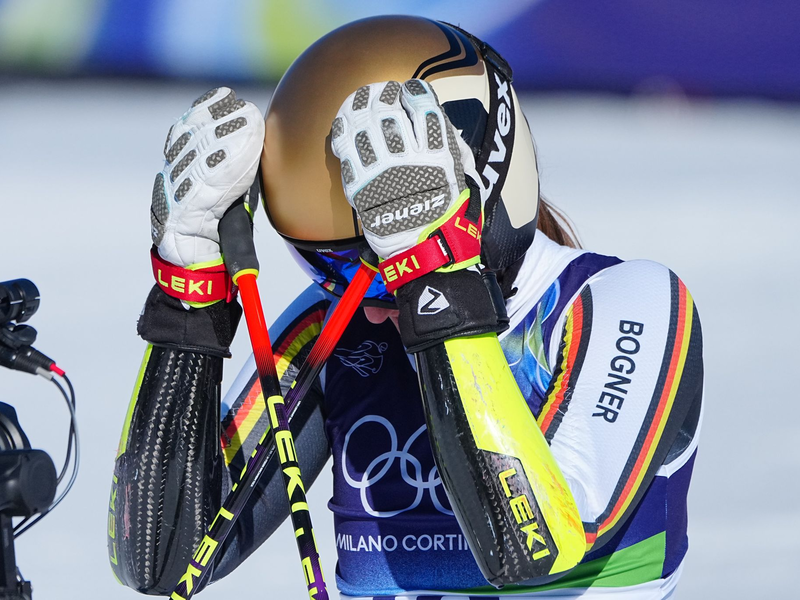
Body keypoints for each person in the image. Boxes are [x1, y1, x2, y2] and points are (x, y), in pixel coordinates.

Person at [108, 15, 703, 600]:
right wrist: (190, 298)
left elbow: (536, 547)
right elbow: (163, 562)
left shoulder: (629, 302)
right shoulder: (331, 327)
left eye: (388, 268)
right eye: (331, 270)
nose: (368, 308)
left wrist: (435, 283)